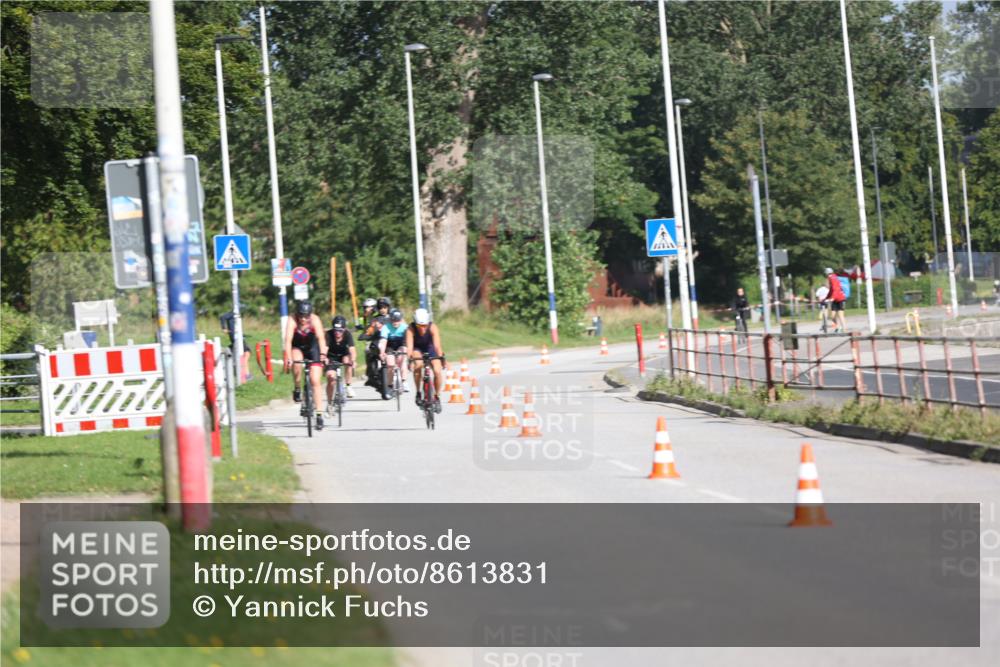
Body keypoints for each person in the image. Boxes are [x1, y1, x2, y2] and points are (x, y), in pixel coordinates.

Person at [283, 300, 327, 429]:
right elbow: (288, 340)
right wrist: (289, 358)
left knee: (315, 381)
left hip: (312, 348)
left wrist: (323, 355)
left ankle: (319, 415)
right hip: (297, 347)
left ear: (310, 315)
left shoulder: (315, 320)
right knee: (296, 363)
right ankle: (297, 387)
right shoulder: (292, 320)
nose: (303, 319)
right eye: (301, 316)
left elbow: (321, 338)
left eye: (306, 316)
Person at [405, 307, 445, 413]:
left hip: (430, 348)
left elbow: (437, 346)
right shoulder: (411, 328)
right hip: (417, 349)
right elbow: (409, 347)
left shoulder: (433, 327)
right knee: (418, 365)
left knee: (437, 371)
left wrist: (441, 357)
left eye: (424, 326)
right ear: (415, 323)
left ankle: (437, 396)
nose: (422, 329)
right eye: (419, 326)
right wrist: (409, 358)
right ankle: (418, 392)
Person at [325, 315, 357, 400]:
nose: (337, 333)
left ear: (344, 329)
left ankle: (348, 385)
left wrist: (353, 360)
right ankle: (330, 402)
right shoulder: (328, 334)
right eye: (336, 330)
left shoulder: (347, 334)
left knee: (348, 360)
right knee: (331, 377)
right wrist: (324, 357)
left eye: (340, 331)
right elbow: (325, 349)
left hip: (344, 355)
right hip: (331, 356)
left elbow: (352, 349)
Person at [379, 308, 410, 393]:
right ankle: (390, 385)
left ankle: (404, 381)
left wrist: (410, 351)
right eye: (393, 320)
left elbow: (409, 340)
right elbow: (383, 340)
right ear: (390, 320)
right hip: (390, 346)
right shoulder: (385, 327)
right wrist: (382, 352)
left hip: (401, 344)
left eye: (397, 321)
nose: (395, 322)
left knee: (402, 359)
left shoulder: (405, 327)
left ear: (401, 320)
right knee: (390, 364)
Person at [219, 308, 252, 382]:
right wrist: (224, 328)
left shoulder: (236, 316)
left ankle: (245, 374)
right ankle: (245, 375)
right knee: (246, 354)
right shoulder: (233, 314)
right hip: (236, 340)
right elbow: (222, 317)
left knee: (245, 354)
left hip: (238, 339)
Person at [824, 267, 848, 332]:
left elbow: (836, 289)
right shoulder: (831, 278)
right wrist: (826, 298)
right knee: (832, 316)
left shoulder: (832, 278)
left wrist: (832, 298)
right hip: (835, 299)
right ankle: (838, 327)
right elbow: (831, 290)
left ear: (827, 273)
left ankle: (844, 328)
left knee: (840, 314)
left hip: (840, 298)